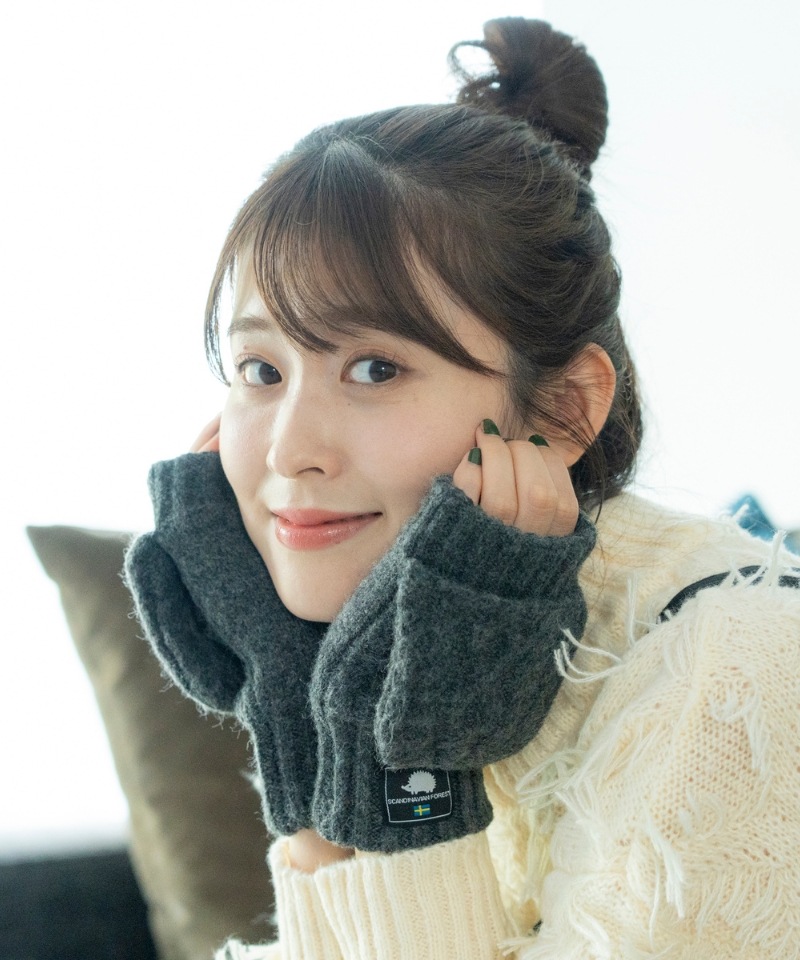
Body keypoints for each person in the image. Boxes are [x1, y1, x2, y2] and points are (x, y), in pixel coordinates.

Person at [125, 17, 800, 960]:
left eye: (374, 369)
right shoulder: (381, 630)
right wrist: (300, 700)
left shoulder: (736, 678)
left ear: (564, 408)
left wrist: (414, 781)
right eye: (260, 370)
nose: (290, 449)